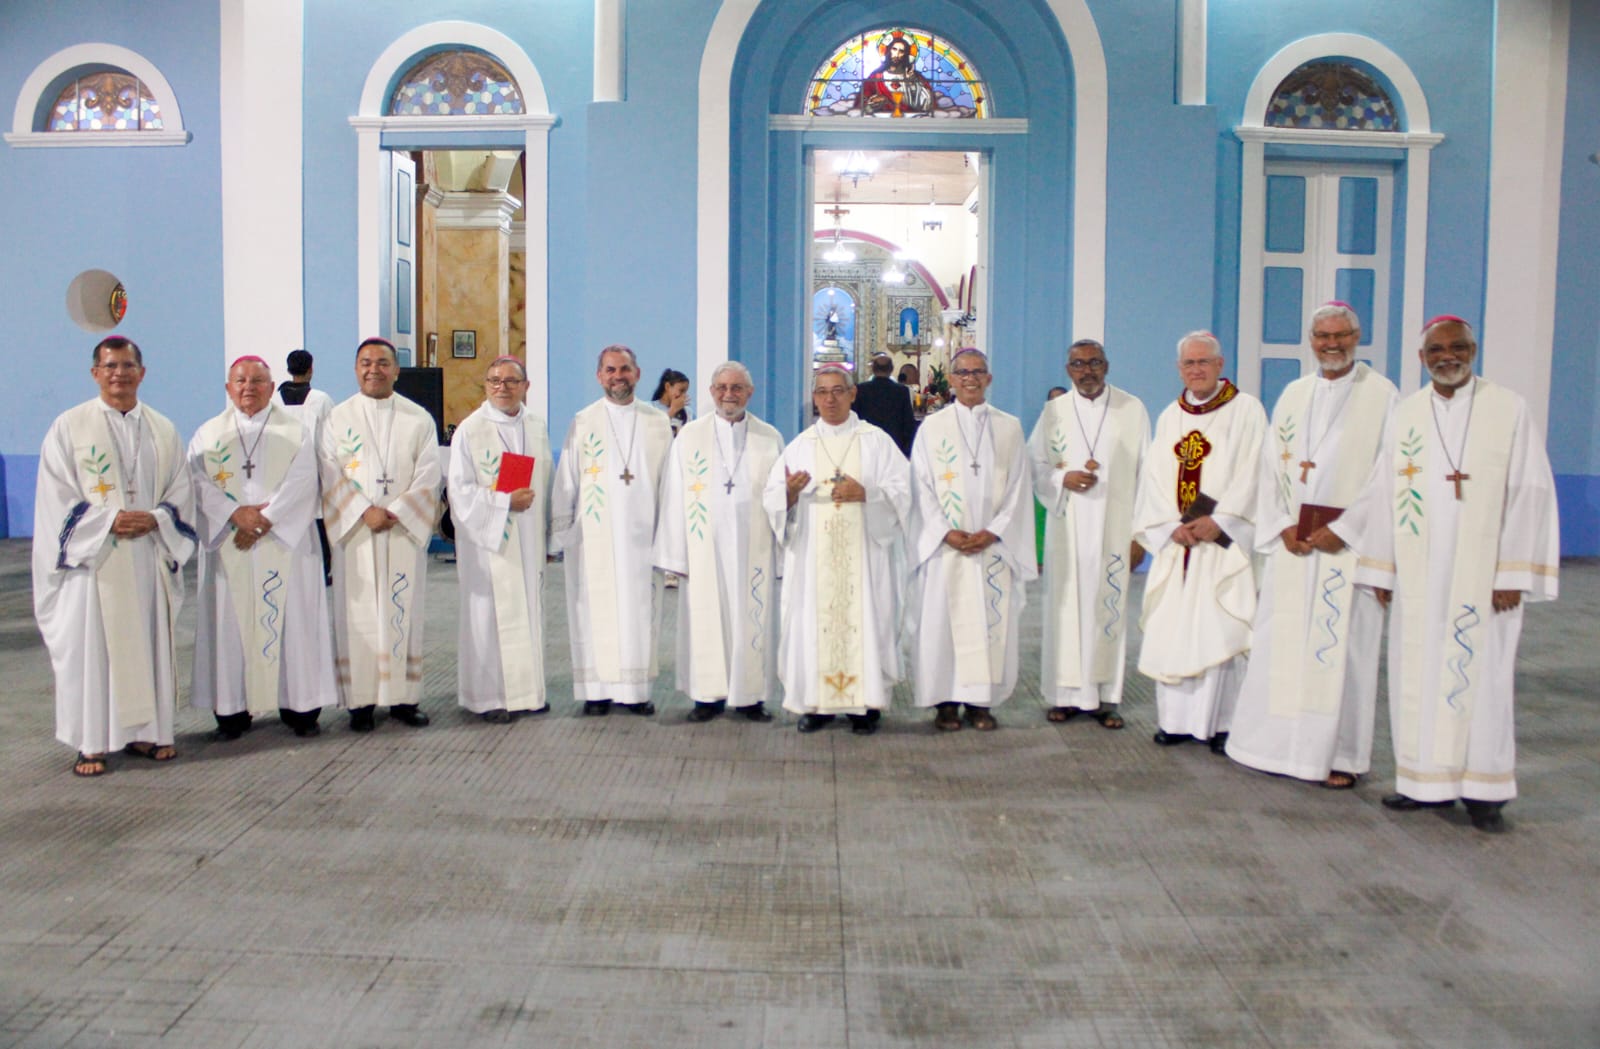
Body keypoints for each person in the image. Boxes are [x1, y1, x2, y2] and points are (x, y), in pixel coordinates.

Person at [1329, 316, 1558, 833]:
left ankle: (1484, 791)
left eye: (1457, 347)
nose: (1447, 356)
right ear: (1422, 357)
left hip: (1484, 577)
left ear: (1474, 350)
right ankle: (1422, 783)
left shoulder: (1508, 407)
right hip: (1419, 574)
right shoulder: (1407, 414)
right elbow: (1385, 491)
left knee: (1485, 678)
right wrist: (1382, 571)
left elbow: (1531, 491)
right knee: (1416, 671)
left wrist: (1512, 572)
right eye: (1436, 349)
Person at [1225, 304, 1398, 788]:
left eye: (1341, 335)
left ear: (1357, 336)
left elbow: (1388, 476)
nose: (1331, 344)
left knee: (1343, 652)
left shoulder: (1383, 396)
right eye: (1322, 336)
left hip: (1347, 548)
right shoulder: (1294, 394)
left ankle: (1339, 757)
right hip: (1294, 546)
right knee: (1284, 645)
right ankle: (1272, 747)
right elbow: (1269, 467)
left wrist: (1344, 528)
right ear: (1311, 339)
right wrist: (1281, 524)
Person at [32, 336, 196, 776]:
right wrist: (107, 521)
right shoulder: (69, 427)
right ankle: (93, 742)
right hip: (97, 562)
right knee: (95, 653)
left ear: (142, 373)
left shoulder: (162, 428)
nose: (118, 374)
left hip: (145, 556)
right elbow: (55, 497)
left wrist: (158, 517)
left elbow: (181, 489)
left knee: (146, 644)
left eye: (127, 366)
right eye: (109, 366)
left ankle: (148, 732)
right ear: (95, 373)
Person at [189, 355, 336, 739]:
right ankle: (233, 712)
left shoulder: (297, 430)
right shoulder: (207, 434)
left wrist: (264, 520)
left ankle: (300, 707)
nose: (248, 387)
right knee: (231, 625)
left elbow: (306, 479)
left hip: (283, 543)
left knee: (293, 623)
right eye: (240, 380)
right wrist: (234, 514)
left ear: (273, 388)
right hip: (230, 544)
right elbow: (197, 482)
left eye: (257, 380)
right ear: (228, 387)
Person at [1134, 331, 1268, 751]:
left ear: (1220, 365)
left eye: (1204, 362)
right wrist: (1168, 525)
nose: (1196, 370)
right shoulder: (1169, 416)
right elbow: (1154, 477)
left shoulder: (1247, 411)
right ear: (1179, 369)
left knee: (1220, 625)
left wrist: (1222, 520)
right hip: (1180, 544)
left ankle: (1222, 723)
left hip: (1220, 544)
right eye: (1189, 364)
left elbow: (1255, 472)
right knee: (1174, 628)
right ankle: (1175, 721)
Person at [763, 365, 911, 734]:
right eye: (822, 392)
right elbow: (772, 498)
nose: (830, 399)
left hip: (864, 554)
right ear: (814, 398)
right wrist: (790, 495)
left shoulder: (875, 441)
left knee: (865, 618)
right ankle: (818, 704)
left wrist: (868, 494)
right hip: (815, 559)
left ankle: (864, 705)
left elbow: (905, 490)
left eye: (837, 391)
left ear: (852, 394)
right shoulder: (800, 445)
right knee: (815, 621)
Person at [907, 350, 1034, 730]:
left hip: (991, 547)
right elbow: (921, 485)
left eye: (978, 372)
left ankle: (981, 703)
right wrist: (945, 531)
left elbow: (1019, 487)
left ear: (989, 378)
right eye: (962, 372)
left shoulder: (1009, 427)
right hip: (946, 546)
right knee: (942, 626)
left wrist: (993, 531)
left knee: (989, 623)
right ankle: (945, 702)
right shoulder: (932, 427)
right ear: (951, 378)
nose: (970, 379)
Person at [320, 337, 442, 732]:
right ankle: (361, 703)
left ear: (396, 369)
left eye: (383, 363)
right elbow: (328, 473)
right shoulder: (336, 418)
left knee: (402, 612)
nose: (374, 369)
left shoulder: (418, 418)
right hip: (356, 533)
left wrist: (396, 511)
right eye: (366, 362)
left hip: (401, 530)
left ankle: (404, 700)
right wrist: (362, 511)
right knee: (358, 616)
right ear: (356, 369)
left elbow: (429, 474)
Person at [1028, 339, 1150, 728]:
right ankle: (1063, 696)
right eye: (1078, 364)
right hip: (1069, 528)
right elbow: (1036, 466)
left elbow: (1148, 475)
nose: (1087, 370)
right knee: (1065, 611)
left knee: (1108, 609)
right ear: (1068, 370)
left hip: (1115, 528)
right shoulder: (1053, 412)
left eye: (1094, 362)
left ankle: (1104, 697)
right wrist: (1065, 476)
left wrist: (1140, 536)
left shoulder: (1133, 409)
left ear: (1107, 365)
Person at [654, 362, 784, 723]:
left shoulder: (769, 437)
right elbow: (674, 494)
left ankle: (749, 697)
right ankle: (706, 697)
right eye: (722, 387)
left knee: (751, 616)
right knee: (703, 617)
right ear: (711, 392)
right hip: (703, 548)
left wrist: (780, 552)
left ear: (750, 393)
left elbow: (779, 496)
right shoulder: (690, 436)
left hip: (751, 548)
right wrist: (675, 553)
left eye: (737, 388)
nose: (729, 394)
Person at [551, 345, 674, 716]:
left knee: (640, 614)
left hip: (642, 538)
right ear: (598, 376)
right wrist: (561, 533)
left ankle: (635, 692)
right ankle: (595, 692)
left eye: (624, 369)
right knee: (593, 610)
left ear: (637, 374)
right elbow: (567, 480)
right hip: (594, 539)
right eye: (609, 370)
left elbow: (670, 484)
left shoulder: (657, 423)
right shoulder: (584, 421)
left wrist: (669, 540)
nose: (617, 376)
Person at [449, 356, 553, 723]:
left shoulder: (536, 426)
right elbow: (458, 492)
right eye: (494, 381)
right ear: (485, 385)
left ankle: (528, 693)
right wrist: (505, 501)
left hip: (528, 540)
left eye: (511, 381)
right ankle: (489, 698)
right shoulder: (470, 429)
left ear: (526, 386)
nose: (502, 388)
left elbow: (547, 479)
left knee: (528, 612)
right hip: (488, 543)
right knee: (488, 618)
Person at [275, 348, 335, 585]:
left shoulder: (273, 400)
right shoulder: (320, 400)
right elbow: (332, 437)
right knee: (318, 522)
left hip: (282, 472)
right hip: (314, 471)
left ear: (289, 369)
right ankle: (322, 569)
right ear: (311, 369)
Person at [851, 352, 916, 456]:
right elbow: (908, 423)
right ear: (891, 369)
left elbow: (853, 418)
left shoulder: (861, 389)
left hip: (866, 445)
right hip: (894, 446)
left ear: (873, 369)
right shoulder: (901, 391)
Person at [856, 32, 935, 117]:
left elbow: (928, 104)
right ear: (888, 50)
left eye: (901, 51)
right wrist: (872, 104)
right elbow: (862, 104)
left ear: (906, 54)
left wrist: (912, 83)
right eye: (894, 49)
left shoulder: (915, 77)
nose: (897, 55)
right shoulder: (876, 77)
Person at [651, 368, 691, 438]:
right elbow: (651, 433)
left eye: (685, 392)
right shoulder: (650, 408)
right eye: (681, 391)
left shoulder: (688, 412)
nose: (684, 395)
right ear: (667, 387)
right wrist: (673, 410)